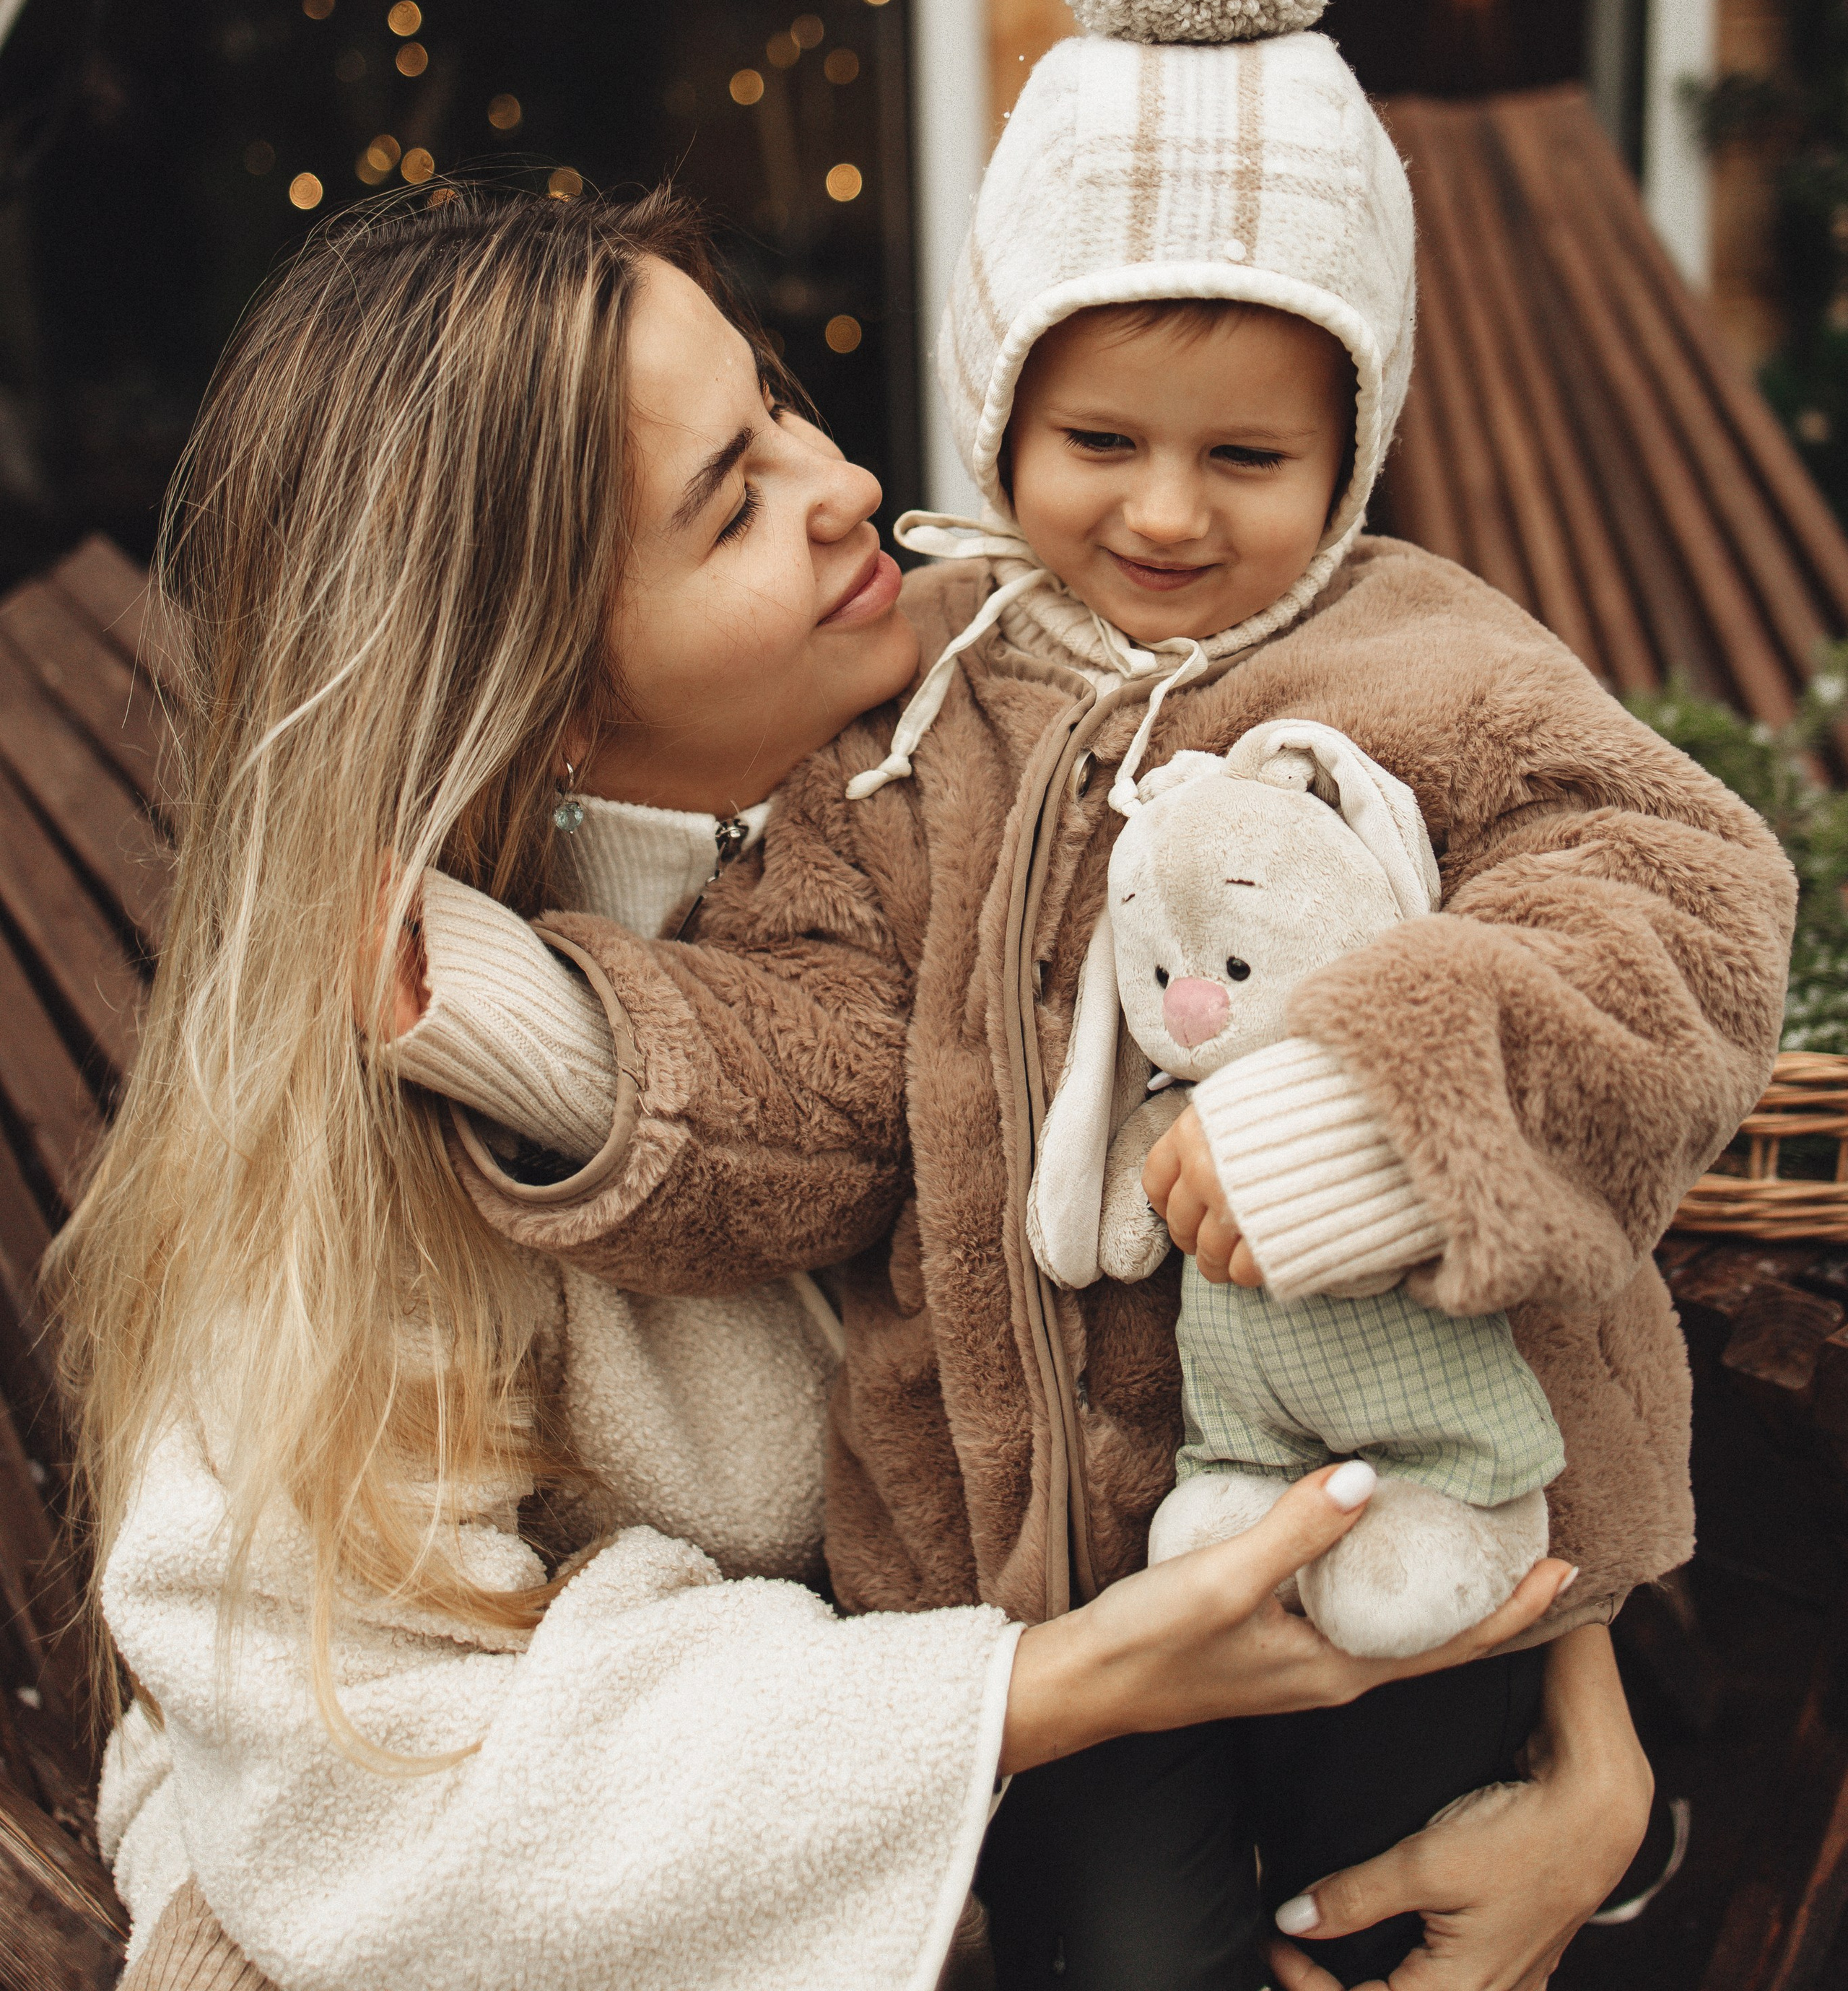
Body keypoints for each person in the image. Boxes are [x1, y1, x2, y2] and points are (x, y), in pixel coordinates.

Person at [380, 0, 1789, 1987]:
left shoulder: (1430, 664)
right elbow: (826, 1059)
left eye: (1251, 460)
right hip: (1049, 1572)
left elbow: (1673, 906)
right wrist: (557, 1040)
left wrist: (1377, 1107)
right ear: (1002, 407)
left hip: (1408, 1497)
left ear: (1354, 443)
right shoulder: (924, 725)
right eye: (1099, 437)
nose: (1164, 513)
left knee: (1394, 1917)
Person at [53, 184, 1585, 1991]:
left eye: (776, 401)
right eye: (732, 504)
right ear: (542, 689)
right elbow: (361, 1781)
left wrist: (1583, 1744)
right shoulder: (379, 1135)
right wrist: (1044, 1692)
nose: (846, 481)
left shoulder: (1024, 761)